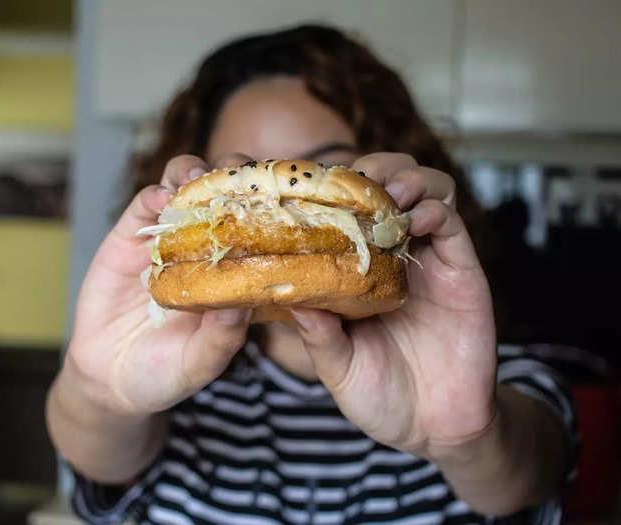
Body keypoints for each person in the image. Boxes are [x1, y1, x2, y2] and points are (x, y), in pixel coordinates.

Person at [46, 25, 576, 524]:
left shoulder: (497, 377)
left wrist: (467, 440)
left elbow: (522, 483)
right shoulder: (173, 372)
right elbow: (100, 463)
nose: (281, 196)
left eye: (326, 165)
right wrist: (98, 395)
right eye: (242, 171)